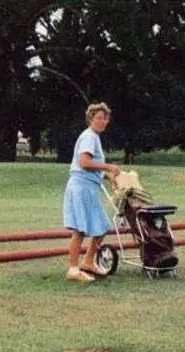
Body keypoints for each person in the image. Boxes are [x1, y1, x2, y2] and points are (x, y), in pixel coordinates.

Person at [63, 102, 122, 282]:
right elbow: (84, 162)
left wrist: (107, 176)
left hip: (90, 187)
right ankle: (73, 270)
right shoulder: (89, 137)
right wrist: (109, 166)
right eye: (99, 118)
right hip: (81, 187)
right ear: (90, 119)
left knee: (102, 226)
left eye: (105, 118)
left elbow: (93, 165)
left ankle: (88, 262)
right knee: (80, 230)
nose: (103, 122)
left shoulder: (94, 138)